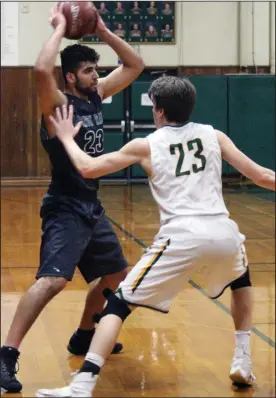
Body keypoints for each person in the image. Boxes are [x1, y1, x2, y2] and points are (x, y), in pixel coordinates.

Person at [35, 76, 275, 397]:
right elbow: (261, 175)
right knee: (241, 280)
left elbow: (89, 168)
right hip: (223, 231)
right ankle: (243, 360)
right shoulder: (213, 135)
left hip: (182, 235)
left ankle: (83, 383)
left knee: (118, 304)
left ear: (158, 112)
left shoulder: (146, 145)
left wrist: (65, 138)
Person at [0, 5, 144, 394]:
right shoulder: (58, 105)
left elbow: (135, 65)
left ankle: (83, 335)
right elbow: (38, 71)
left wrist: (102, 30)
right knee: (52, 281)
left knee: (116, 275)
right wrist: (62, 27)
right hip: (65, 206)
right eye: (89, 70)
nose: (96, 75)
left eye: (96, 70)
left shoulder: (95, 96)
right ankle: (7, 353)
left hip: (91, 206)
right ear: (70, 76)